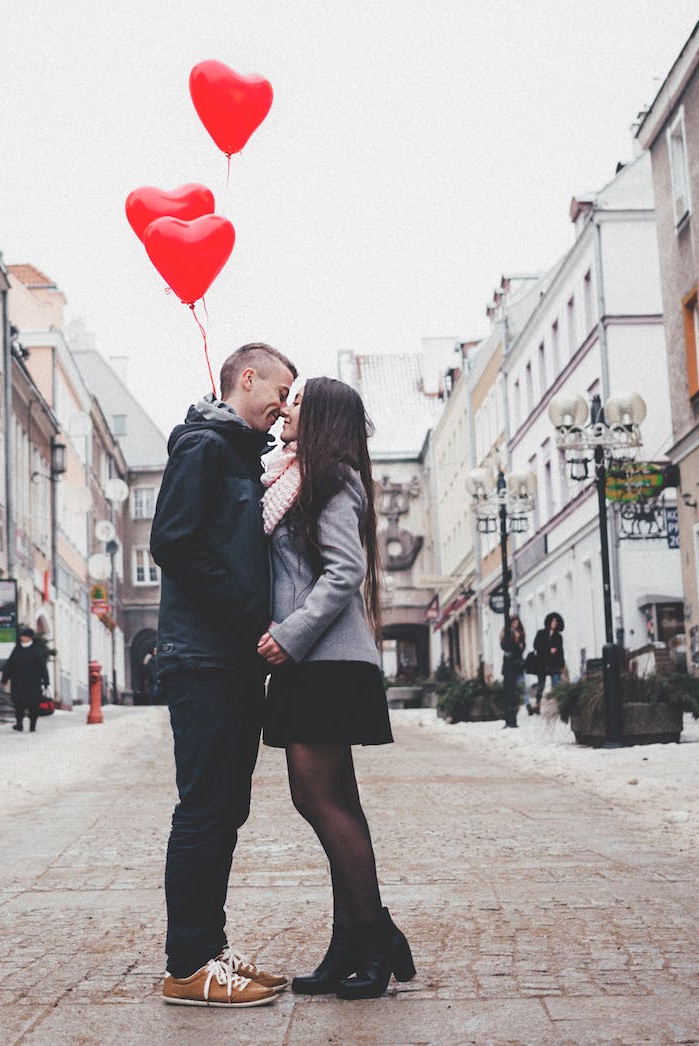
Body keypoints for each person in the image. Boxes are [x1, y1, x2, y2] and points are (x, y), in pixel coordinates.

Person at [257, 377, 414, 1000]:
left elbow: (345, 570)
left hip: (324, 660)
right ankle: (355, 938)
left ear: (319, 416)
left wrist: (289, 635)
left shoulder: (334, 479)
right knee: (331, 803)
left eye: (296, 402)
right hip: (310, 662)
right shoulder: (289, 478)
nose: (284, 409)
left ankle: (373, 938)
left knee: (321, 802)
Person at [151, 342, 296, 1008]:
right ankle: (188, 965)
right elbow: (173, 541)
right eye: (280, 390)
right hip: (203, 657)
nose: (284, 406)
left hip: (229, 659)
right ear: (247, 377)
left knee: (224, 809)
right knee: (206, 809)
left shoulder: (238, 456)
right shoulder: (204, 448)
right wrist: (249, 619)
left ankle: (211, 952)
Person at [1, 627, 48, 732]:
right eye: (21, 636)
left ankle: (32, 725)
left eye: (25, 636)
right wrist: (4, 679)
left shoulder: (37, 650)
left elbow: (42, 667)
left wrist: (46, 681)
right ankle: (19, 724)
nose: (22, 638)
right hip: (18, 681)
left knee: (34, 705)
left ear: (30, 637)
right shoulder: (17, 649)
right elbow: (9, 665)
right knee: (18, 704)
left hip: (33, 682)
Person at [530, 611, 568, 709]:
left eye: (556, 621)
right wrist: (548, 649)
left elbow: (560, 651)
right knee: (541, 686)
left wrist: (562, 665)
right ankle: (537, 705)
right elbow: (536, 645)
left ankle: (557, 706)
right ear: (549, 622)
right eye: (553, 621)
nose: (554, 623)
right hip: (542, 664)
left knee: (556, 685)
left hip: (554, 664)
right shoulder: (541, 633)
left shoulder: (558, 636)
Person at [499, 616, 527, 729]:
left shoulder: (520, 634)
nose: (516, 624)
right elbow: (506, 646)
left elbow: (521, 647)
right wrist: (516, 644)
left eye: (517, 622)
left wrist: (518, 645)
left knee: (519, 687)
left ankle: (525, 705)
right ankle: (509, 719)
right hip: (510, 665)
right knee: (509, 691)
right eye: (514, 622)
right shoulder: (507, 633)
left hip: (517, 664)